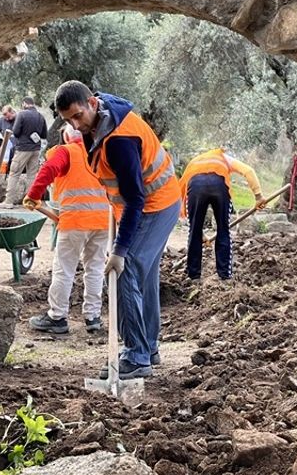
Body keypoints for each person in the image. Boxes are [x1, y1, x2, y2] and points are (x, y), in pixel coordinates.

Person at [54, 80, 181, 380]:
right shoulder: (98, 121)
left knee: (126, 271)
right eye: (68, 120)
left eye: (77, 116)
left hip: (154, 205)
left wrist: (120, 250)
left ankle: (136, 356)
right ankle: (148, 348)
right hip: (152, 203)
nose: (74, 125)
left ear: (92, 103)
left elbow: (136, 197)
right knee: (145, 276)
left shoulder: (120, 140)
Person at [22, 128, 111, 334]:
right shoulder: (100, 153)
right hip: (102, 221)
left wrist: (33, 194)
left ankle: (57, 316)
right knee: (95, 269)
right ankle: (93, 317)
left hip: (74, 222)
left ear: (67, 136)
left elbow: (49, 169)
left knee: (64, 268)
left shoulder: (66, 151)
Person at [179, 147, 265, 281]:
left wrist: (198, 232)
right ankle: (224, 275)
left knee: (193, 231)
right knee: (223, 230)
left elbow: (184, 198)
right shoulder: (223, 158)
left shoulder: (194, 163)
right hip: (219, 184)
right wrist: (259, 197)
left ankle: (193, 275)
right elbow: (248, 171)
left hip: (195, 185)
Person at [4, 96, 48, 204]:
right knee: (32, 175)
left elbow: (16, 132)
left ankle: (8, 202)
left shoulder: (22, 114)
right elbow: (44, 134)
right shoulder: (40, 116)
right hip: (36, 149)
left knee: (14, 173)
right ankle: (30, 202)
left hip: (23, 149)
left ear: (24, 103)